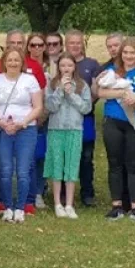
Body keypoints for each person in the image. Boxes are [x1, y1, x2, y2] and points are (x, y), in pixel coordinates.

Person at [96, 37, 135, 222]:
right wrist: (122, 93)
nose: (128, 56)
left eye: (132, 52)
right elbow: (100, 92)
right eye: (125, 52)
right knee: (115, 164)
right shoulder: (112, 71)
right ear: (121, 54)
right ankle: (117, 206)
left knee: (134, 165)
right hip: (114, 120)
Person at [0, 48, 44, 223]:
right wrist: (0, 122)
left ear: (22, 62)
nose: (13, 63)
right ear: (4, 62)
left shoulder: (30, 80)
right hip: (3, 129)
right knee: (5, 170)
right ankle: (8, 206)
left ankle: (20, 207)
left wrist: (23, 123)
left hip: (26, 129)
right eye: (9, 60)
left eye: (16, 60)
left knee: (23, 171)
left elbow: (38, 106)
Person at [43, 54, 91, 219]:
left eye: (69, 65)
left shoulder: (82, 85)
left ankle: (69, 204)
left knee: (71, 166)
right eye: (63, 65)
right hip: (56, 130)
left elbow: (86, 108)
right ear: (58, 67)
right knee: (57, 165)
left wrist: (71, 94)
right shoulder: (52, 84)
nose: (66, 69)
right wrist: (60, 91)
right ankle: (57, 203)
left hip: (74, 130)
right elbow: (50, 106)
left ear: (74, 67)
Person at [65, 31, 102, 207]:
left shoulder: (92, 64)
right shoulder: (61, 63)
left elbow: (96, 91)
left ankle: (87, 193)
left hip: (85, 117)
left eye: (78, 43)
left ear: (83, 44)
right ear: (66, 44)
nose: (75, 46)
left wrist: (83, 105)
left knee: (86, 156)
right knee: (66, 155)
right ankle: (65, 192)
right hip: (63, 118)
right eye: (71, 43)